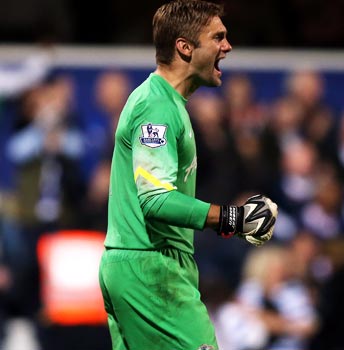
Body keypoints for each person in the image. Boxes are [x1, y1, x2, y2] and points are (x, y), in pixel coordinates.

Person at [97, 2, 278, 350]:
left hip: (142, 264)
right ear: (185, 47)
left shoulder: (166, 104)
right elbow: (155, 199)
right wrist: (232, 218)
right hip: (150, 267)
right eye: (218, 37)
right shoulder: (157, 107)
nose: (227, 47)